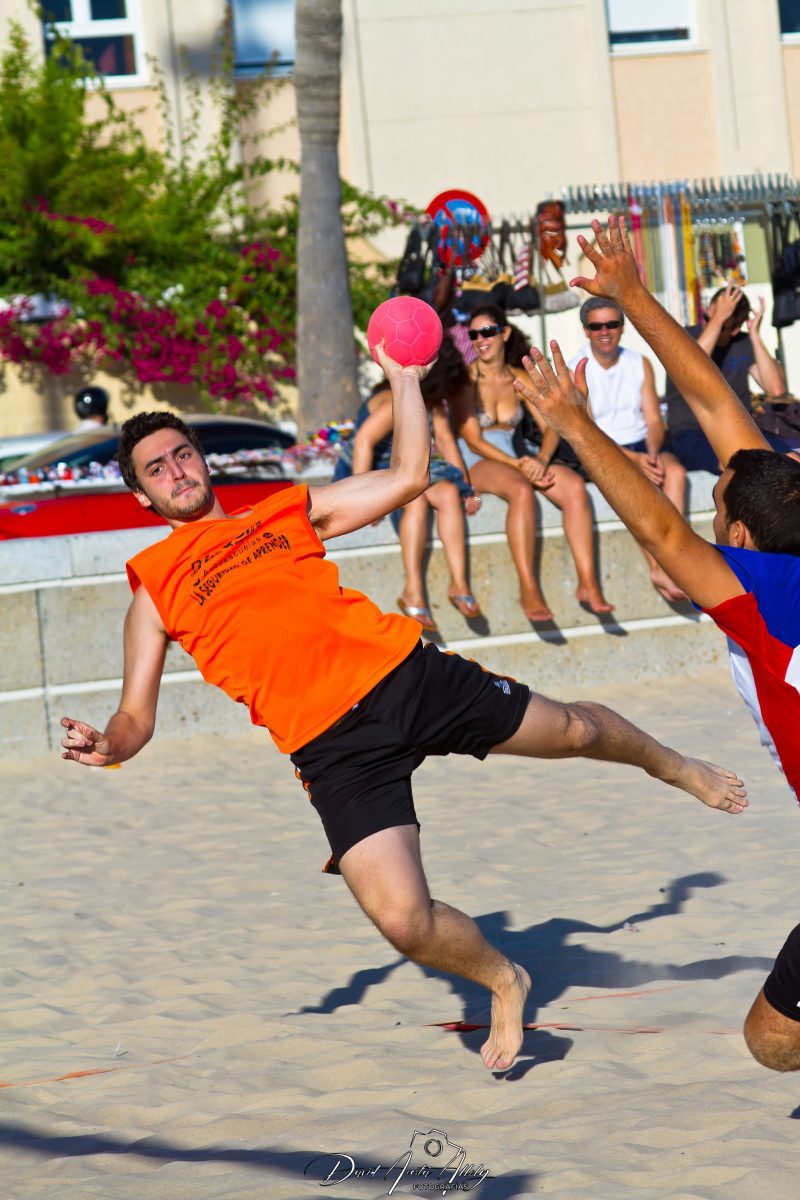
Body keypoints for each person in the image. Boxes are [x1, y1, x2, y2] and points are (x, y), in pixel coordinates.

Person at [60, 344, 747, 1075]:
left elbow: (411, 475)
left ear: (204, 459)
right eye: (157, 470)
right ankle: (503, 978)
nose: (177, 472)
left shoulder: (285, 511)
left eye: (182, 455)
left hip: (404, 677)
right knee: (402, 922)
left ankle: (674, 765)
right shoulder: (154, 590)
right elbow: (137, 713)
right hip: (331, 747)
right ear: (142, 497)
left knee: (574, 729)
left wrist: (405, 381)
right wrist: (112, 743)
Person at [513, 213, 800, 1075]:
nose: (714, 529)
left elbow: (670, 538)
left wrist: (572, 421)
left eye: (723, 523)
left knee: (771, 1041)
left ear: (742, 541)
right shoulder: (782, 516)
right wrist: (633, 294)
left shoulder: (768, 597)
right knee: (774, 1037)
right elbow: (716, 402)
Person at [451, 305, 614, 623]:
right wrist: (519, 464)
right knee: (520, 488)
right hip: (479, 458)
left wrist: (540, 459)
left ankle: (588, 582)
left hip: (518, 454)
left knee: (574, 487)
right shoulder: (465, 381)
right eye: (473, 334)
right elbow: (473, 439)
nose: (480, 340)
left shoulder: (519, 378)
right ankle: (529, 588)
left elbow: (551, 425)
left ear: (504, 333)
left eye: (487, 332)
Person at [348, 341, 482, 631]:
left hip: (411, 467)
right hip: (382, 466)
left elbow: (445, 441)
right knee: (416, 501)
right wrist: (365, 501)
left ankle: (459, 585)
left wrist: (467, 489)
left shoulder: (430, 402)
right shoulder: (393, 400)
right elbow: (363, 441)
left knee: (447, 493)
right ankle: (413, 590)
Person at [568, 297, 688, 603]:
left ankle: (679, 559)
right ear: (586, 331)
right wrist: (635, 460)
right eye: (597, 326)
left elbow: (653, 419)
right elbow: (589, 431)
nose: (605, 331)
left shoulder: (639, 362)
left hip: (640, 445)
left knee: (674, 471)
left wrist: (650, 451)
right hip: (602, 451)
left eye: (612, 324)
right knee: (637, 484)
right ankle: (659, 567)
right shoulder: (576, 368)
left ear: (622, 327)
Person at [664, 284, 788, 474]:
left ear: (735, 329)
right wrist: (719, 318)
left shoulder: (742, 342)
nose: (709, 324)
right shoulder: (683, 336)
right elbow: (690, 369)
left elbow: (776, 389)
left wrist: (755, 335)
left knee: (790, 459)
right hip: (691, 433)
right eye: (708, 317)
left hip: (737, 429)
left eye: (720, 323)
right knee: (736, 467)